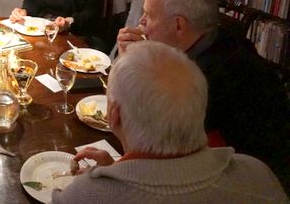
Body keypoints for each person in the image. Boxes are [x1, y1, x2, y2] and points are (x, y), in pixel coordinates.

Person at [52, 40, 289, 203]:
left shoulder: (87, 196)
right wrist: (117, 170)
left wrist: (106, 180)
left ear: (114, 114)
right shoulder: (259, 175)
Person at [117, 0, 290, 188]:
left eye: (148, 15)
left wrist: (131, 62)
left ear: (178, 25)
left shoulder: (207, 78)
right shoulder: (217, 36)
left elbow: (150, 133)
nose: (141, 21)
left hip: (242, 183)